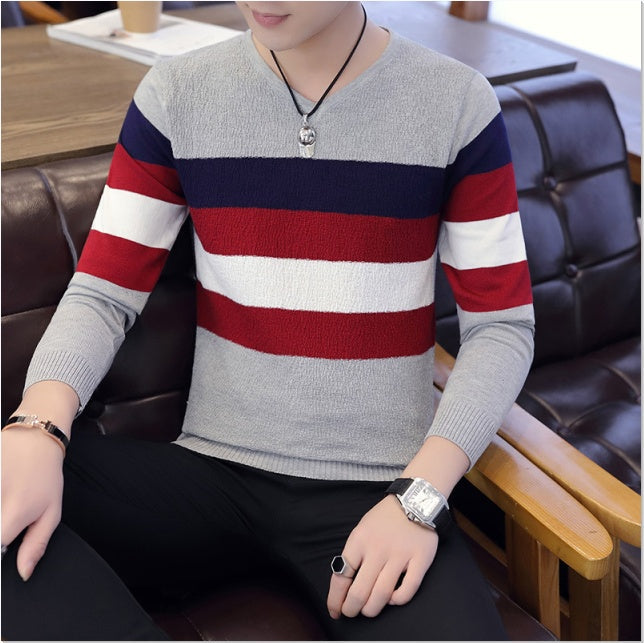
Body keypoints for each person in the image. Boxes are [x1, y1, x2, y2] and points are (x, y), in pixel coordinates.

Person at [1, 2, 535, 640]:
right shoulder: (177, 93)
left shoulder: (455, 103)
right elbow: (103, 292)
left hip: (378, 493)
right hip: (210, 476)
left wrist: (419, 499)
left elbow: (501, 328)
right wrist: (38, 425)